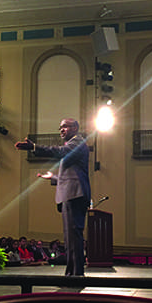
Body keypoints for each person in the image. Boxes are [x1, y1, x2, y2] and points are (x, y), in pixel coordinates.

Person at [15, 118, 90, 276]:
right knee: (69, 237)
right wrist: (54, 178)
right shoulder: (73, 146)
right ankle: (72, 273)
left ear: (75, 128)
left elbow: (60, 152)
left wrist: (34, 147)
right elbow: (72, 173)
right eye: (60, 127)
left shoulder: (77, 142)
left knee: (74, 236)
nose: (61, 130)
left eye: (65, 127)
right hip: (71, 193)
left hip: (74, 194)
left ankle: (76, 274)